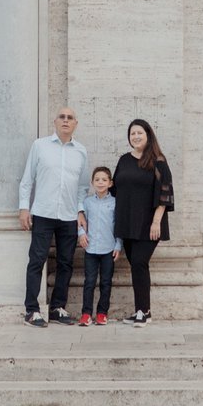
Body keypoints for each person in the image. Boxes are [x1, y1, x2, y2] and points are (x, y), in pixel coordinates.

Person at [17, 107, 87, 327]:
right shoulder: (40, 146)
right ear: (55, 122)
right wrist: (23, 208)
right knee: (37, 260)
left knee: (66, 263)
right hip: (43, 212)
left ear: (76, 123)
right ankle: (31, 310)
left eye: (70, 118)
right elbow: (28, 179)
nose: (66, 121)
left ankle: (58, 308)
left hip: (68, 216)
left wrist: (80, 211)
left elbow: (83, 187)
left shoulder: (81, 152)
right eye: (62, 117)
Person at [112, 118, 175, 325]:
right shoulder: (123, 160)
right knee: (137, 266)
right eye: (132, 134)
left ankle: (143, 311)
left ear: (148, 135)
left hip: (149, 224)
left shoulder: (158, 161)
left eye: (139, 133)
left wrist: (156, 222)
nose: (136, 137)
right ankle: (143, 311)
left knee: (139, 262)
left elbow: (165, 194)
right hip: (127, 222)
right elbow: (115, 189)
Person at [76, 165, 121, 326]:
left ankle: (102, 313)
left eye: (104, 180)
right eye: (97, 180)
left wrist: (118, 245)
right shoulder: (87, 202)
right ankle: (86, 313)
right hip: (91, 249)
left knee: (105, 282)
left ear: (110, 183)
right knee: (89, 281)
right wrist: (81, 235)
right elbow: (81, 222)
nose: (100, 182)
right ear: (92, 182)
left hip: (108, 249)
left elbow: (118, 226)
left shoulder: (115, 203)